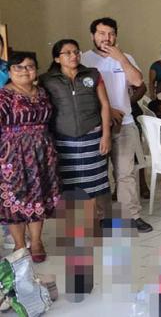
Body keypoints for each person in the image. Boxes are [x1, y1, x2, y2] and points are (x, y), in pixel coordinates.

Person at [82, 18, 153, 233]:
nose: (106, 38)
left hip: (125, 123)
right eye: (101, 33)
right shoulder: (84, 60)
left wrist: (121, 58)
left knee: (126, 173)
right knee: (99, 174)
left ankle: (131, 216)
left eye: (111, 33)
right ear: (93, 35)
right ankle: (102, 217)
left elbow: (138, 82)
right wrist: (107, 112)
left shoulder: (126, 58)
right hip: (95, 126)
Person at [40, 40, 112, 243]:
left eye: (76, 52)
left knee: (93, 182)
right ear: (57, 58)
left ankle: (94, 224)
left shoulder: (92, 74)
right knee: (69, 183)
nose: (73, 56)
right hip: (63, 139)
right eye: (67, 53)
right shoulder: (47, 80)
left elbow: (105, 105)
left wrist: (106, 134)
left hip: (92, 135)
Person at [0, 52, 61, 262]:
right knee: (14, 198)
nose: (25, 71)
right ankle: (19, 244)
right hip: (12, 153)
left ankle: (36, 241)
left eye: (30, 66)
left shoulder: (43, 93)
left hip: (42, 152)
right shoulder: (3, 95)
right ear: (9, 71)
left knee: (38, 196)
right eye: (19, 67)